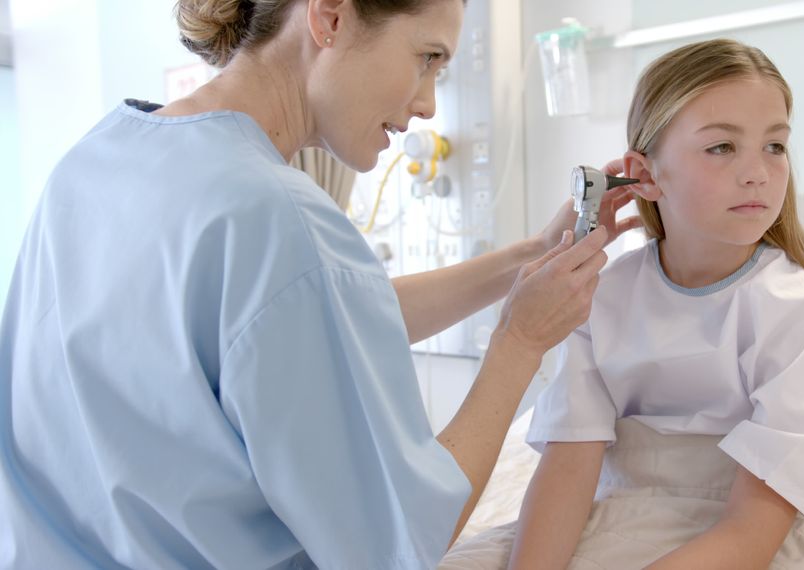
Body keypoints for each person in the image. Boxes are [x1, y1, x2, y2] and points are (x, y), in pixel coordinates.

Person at [0, 0, 641, 568]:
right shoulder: (281, 219)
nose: (428, 103)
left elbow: (303, 319)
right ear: (330, 16)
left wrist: (528, 256)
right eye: (427, 57)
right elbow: (400, 542)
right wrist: (520, 342)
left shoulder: (96, 159)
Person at [508, 38, 804, 568]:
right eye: (722, 147)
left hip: (750, 537)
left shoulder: (799, 315)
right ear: (645, 175)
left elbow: (749, 535)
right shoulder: (601, 297)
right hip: (623, 512)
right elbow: (569, 464)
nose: (758, 171)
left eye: (775, 146)